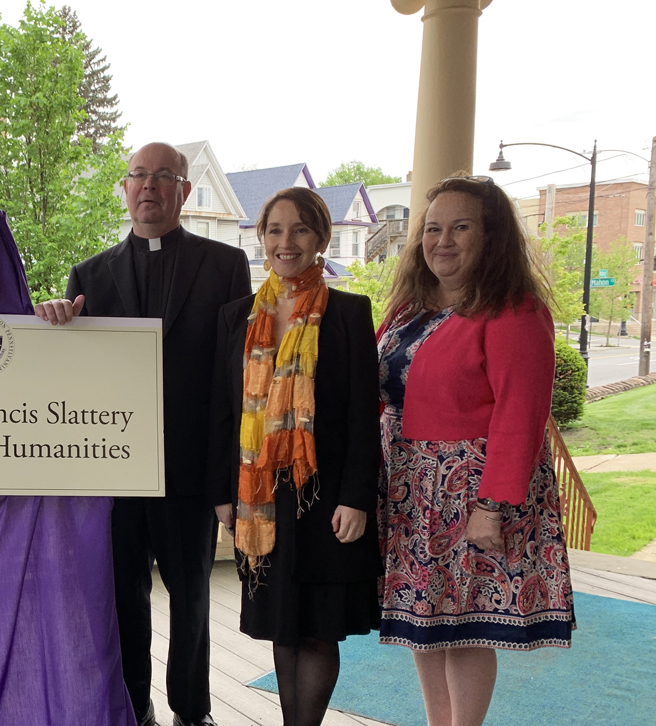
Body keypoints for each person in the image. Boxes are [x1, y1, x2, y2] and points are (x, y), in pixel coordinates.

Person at [36, 141, 251, 726]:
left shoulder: (225, 267)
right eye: (138, 176)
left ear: (184, 190)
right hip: (115, 472)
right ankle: (134, 708)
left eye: (163, 177)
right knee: (123, 598)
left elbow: (234, 381)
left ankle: (191, 710)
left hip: (190, 470)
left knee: (193, 599)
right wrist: (57, 324)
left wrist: (226, 478)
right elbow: (70, 375)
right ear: (124, 189)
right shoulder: (89, 275)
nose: (149, 186)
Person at [376, 175, 575, 726]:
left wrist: (492, 506)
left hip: (471, 494)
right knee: (426, 620)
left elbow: (522, 413)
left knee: (465, 625)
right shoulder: (409, 308)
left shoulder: (514, 310)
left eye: (460, 227)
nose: (442, 240)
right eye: (433, 228)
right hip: (413, 490)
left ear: (491, 236)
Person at [206, 188, 381, 726]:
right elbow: (222, 411)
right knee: (283, 625)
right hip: (260, 497)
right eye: (275, 230)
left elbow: (361, 415)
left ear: (322, 238)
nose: (287, 242)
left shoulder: (349, 312)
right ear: (261, 239)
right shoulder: (237, 316)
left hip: (324, 498)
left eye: (300, 229)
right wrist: (222, 496)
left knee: (318, 628)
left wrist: (355, 498)